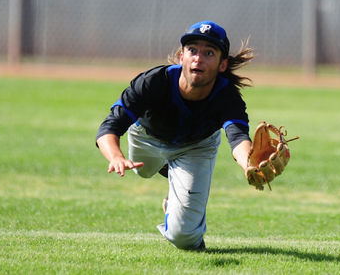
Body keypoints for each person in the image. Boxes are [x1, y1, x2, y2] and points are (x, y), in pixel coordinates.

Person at [95, 20, 256, 251]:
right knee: (143, 170)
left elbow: (238, 138)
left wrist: (250, 165)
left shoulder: (227, 98)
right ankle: (170, 172)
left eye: (209, 52)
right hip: (146, 139)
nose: (198, 58)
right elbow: (110, 126)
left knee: (184, 239)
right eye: (192, 50)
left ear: (222, 65)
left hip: (196, 147)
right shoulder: (154, 82)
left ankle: (178, 203)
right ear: (182, 57)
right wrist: (115, 156)